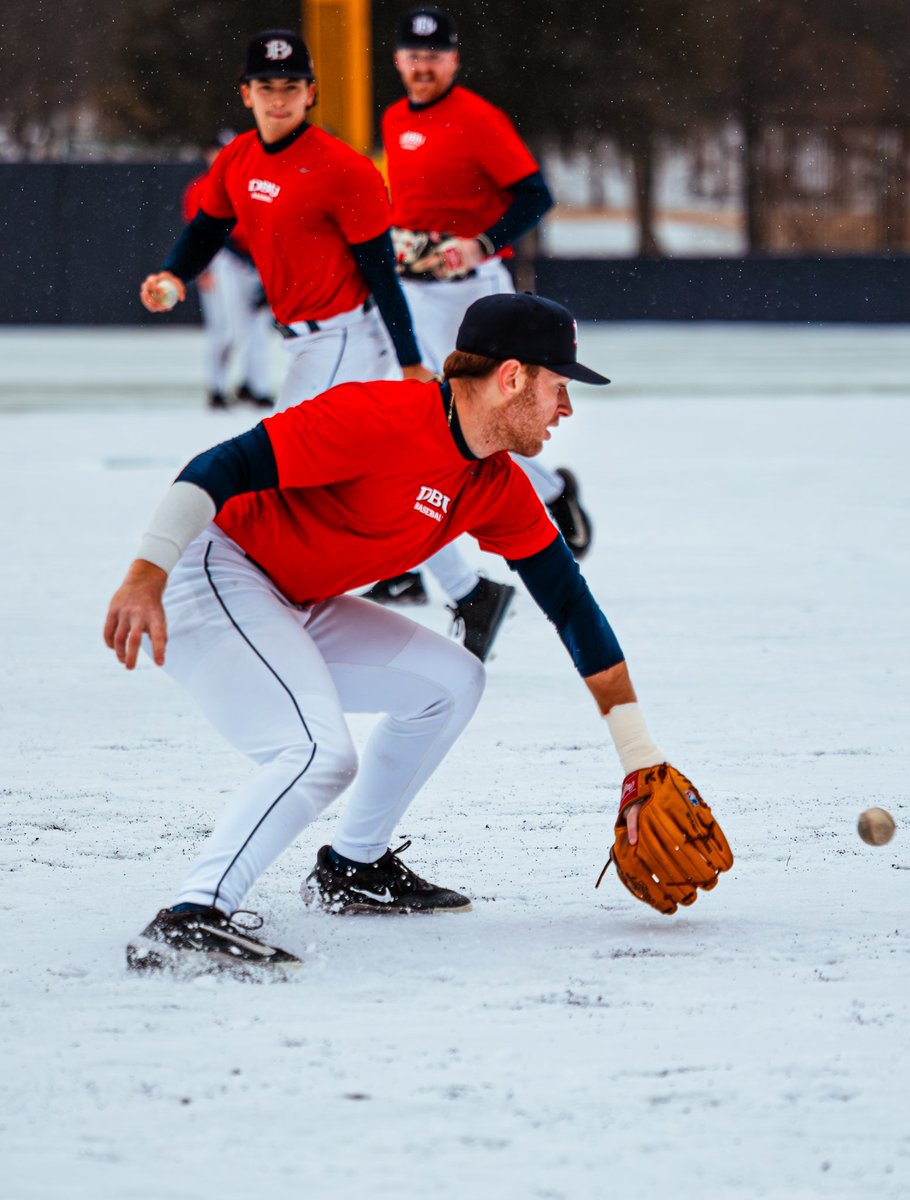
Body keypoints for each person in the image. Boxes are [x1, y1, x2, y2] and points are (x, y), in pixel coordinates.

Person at [104, 293, 695, 975]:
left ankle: (352, 868)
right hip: (216, 571)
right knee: (316, 752)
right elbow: (221, 464)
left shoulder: (495, 484)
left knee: (452, 682)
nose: (566, 408)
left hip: (293, 597)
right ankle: (191, 916)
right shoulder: (378, 416)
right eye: (558, 386)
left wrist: (638, 754)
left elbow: (571, 605)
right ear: (512, 378)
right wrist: (147, 571)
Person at [363, 6, 593, 625]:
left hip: (471, 288)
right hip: (414, 287)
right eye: (412, 55)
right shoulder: (392, 117)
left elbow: (535, 194)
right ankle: (407, 559)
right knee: (410, 410)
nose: (422, 66)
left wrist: (479, 242)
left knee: (478, 411)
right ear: (397, 60)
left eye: (434, 56)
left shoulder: (477, 118)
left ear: (454, 60)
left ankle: (548, 491)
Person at [139, 29, 433, 413]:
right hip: (301, 342)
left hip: (346, 338)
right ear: (246, 93)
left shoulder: (346, 170)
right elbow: (207, 229)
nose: (278, 99)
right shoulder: (236, 158)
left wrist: (409, 361)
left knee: (284, 458)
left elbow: (380, 272)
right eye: (266, 86)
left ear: (310, 93)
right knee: (333, 465)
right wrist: (174, 273)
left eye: (291, 86)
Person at [182, 138, 276, 410]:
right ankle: (217, 387)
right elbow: (197, 234)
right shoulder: (201, 187)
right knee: (228, 331)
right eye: (219, 151)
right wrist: (201, 269)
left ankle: (254, 386)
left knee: (258, 329)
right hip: (222, 260)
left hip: (256, 261)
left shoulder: (254, 184)